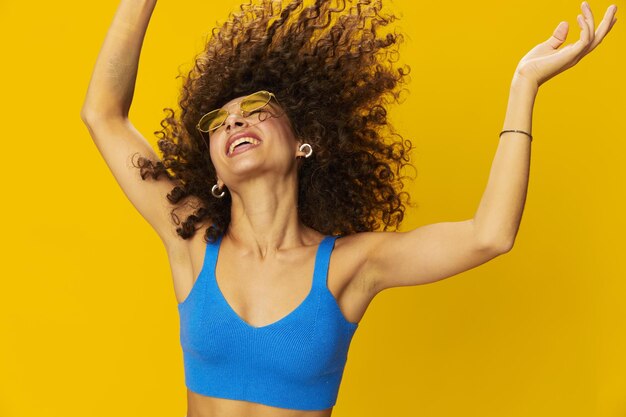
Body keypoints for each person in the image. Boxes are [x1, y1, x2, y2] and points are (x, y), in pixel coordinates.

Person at [80, 0, 618, 416]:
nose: (234, 124)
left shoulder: (351, 265)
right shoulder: (191, 238)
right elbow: (102, 114)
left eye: (256, 112)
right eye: (218, 123)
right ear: (214, 172)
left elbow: (490, 235)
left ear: (302, 142)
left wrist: (524, 85)